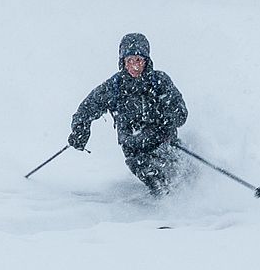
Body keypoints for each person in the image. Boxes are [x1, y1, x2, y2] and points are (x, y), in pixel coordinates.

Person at [67, 32, 189, 196]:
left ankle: (191, 191)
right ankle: (166, 208)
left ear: (146, 61)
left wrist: (166, 118)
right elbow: (87, 108)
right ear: (122, 62)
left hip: (165, 143)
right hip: (135, 151)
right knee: (155, 180)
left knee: (184, 174)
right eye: (129, 61)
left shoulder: (159, 81)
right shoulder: (114, 87)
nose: (135, 66)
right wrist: (80, 129)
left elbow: (181, 113)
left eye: (138, 60)